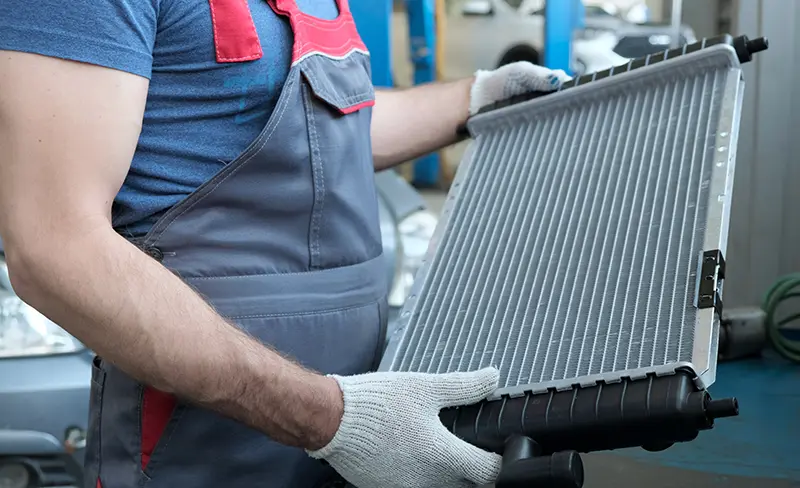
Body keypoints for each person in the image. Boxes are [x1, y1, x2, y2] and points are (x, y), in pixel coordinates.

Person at [0, 1, 569, 487]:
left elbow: (326, 129)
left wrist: (473, 99)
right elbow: (57, 247)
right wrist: (332, 420)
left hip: (363, 417)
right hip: (206, 444)